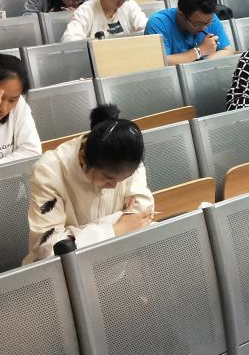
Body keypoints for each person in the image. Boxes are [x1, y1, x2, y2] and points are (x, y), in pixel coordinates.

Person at [24, 103, 154, 264]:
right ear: (82, 158)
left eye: (124, 179)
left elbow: (144, 212)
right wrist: (115, 229)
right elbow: (48, 249)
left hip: (113, 263)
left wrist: (78, 236)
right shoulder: (48, 171)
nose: (114, 186)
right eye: (107, 178)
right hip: (62, 272)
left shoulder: (128, 156)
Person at [144, 0, 236, 64]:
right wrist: (200, 51)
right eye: (198, 24)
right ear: (181, 14)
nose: (204, 28)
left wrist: (203, 64)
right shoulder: (158, 23)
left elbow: (227, 50)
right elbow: (161, 63)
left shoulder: (210, 18)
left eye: (208, 23)